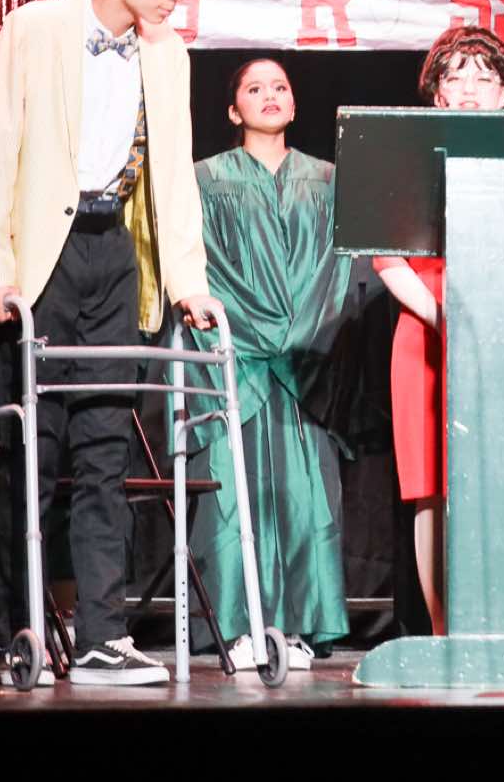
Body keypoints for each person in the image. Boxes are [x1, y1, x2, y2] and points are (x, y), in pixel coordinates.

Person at [0, 0, 222, 687]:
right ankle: (21, 630)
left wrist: (188, 281)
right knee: (34, 453)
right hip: (42, 258)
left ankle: (103, 635)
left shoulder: (168, 52)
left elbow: (173, 174)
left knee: (106, 449)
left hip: (115, 253)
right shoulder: (36, 27)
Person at [373, 24, 504, 635]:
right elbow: (387, 259)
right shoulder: (406, 160)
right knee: (432, 488)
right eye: (455, 77)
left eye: (484, 77)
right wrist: (444, 318)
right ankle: (443, 635)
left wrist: (495, 320)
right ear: (437, 93)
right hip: (426, 338)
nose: (469, 89)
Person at [188, 58, 353, 670]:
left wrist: (298, 334)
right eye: (254, 89)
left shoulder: (331, 180)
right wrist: (261, 332)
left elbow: (340, 269)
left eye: (280, 87)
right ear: (234, 111)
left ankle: (302, 627)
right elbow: (202, 268)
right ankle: (238, 628)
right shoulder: (205, 180)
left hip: (305, 362)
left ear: (294, 104)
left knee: (308, 495)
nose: (270, 96)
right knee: (235, 495)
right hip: (238, 358)